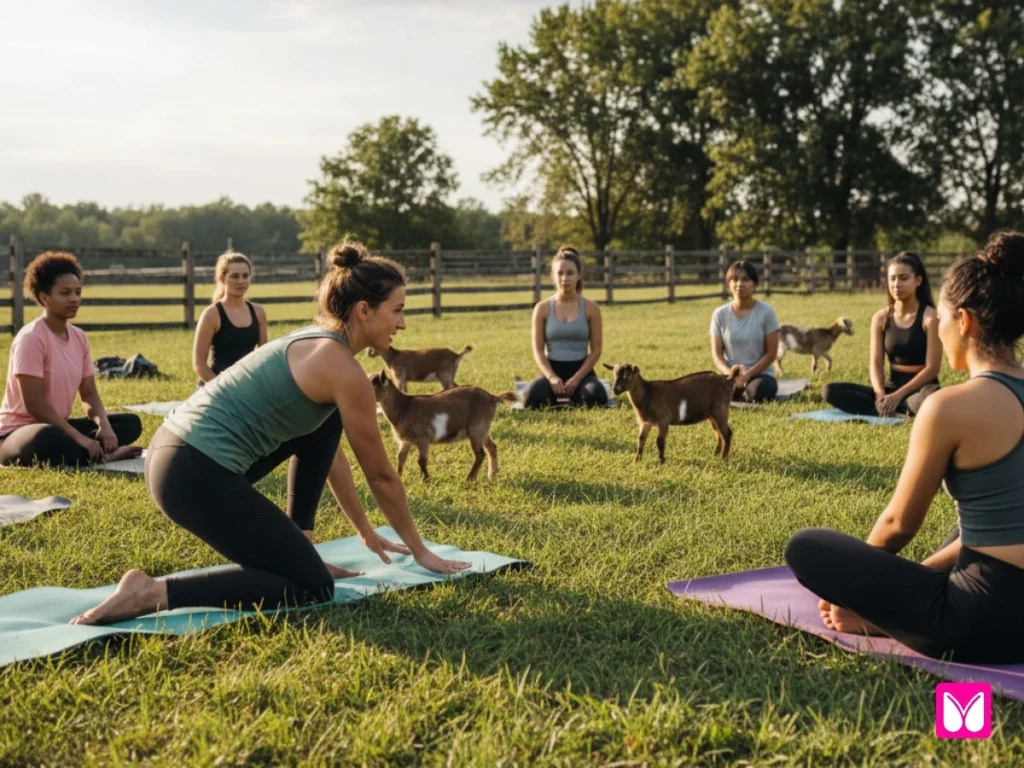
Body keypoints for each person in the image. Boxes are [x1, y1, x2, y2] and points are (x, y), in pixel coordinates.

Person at [71, 240, 470, 626]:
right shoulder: (345, 373)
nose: (402, 322)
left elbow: (328, 454)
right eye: (397, 310)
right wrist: (421, 551)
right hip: (192, 473)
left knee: (325, 424)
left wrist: (365, 531)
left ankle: (302, 543)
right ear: (364, 310)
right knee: (311, 586)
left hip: (175, 453)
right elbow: (381, 475)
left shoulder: (316, 342)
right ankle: (153, 592)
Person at [785, 231, 1024, 663]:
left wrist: (860, 591)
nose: (940, 327)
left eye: (944, 319)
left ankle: (886, 617)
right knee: (975, 521)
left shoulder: (947, 407)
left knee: (806, 546)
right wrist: (918, 573)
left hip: (981, 624)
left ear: (965, 322)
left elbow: (898, 524)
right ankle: (902, 602)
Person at [0, 251, 142, 467]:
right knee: (49, 440)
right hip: (19, 433)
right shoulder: (31, 338)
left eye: (77, 292)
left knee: (130, 424)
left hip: (58, 426)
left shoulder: (79, 338)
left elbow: (89, 393)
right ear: (44, 297)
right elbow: (35, 405)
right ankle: (100, 454)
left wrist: (104, 425)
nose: (74, 299)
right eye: (65, 293)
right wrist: (78, 437)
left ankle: (90, 450)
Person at [823, 252, 940, 417]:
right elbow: (876, 364)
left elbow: (933, 369)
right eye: (892, 279)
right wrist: (880, 395)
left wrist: (898, 396)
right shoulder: (880, 318)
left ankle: (896, 408)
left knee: (930, 398)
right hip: (891, 387)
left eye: (904, 278)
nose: (897, 284)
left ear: (918, 281)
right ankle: (891, 409)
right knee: (829, 391)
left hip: (921, 389)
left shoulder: (930, 317)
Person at [522, 245, 609, 409]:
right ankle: (558, 396)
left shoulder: (591, 308)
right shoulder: (542, 308)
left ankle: (573, 396)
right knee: (531, 398)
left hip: (582, 372)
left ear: (579, 275)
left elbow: (596, 350)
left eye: (570, 273)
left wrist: (576, 379)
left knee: (597, 396)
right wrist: (552, 377)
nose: (565, 278)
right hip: (552, 371)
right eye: (560, 273)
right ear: (553, 277)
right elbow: (538, 351)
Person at [710, 261, 780, 402]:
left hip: (759, 375)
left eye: (746, 279)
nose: (740, 284)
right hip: (729, 375)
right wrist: (731, 375)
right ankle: (735, 393)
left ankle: (739, 394)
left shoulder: (766, 313)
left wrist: (746, 376)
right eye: (735, 279)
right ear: (728, 283)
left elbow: (771, 354)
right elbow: (717, 356)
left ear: (755, 285)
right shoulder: (720, 314)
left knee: (762, 390)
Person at [193, 250, 268, 383]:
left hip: (247, 385)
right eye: (235, 276)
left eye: (246, 276)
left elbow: (264, 357)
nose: (241, 281)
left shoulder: (258, 312)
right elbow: (199, 365)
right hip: (215, 387)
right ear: (222, 279)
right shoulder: (211, 314)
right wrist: (222, 390)